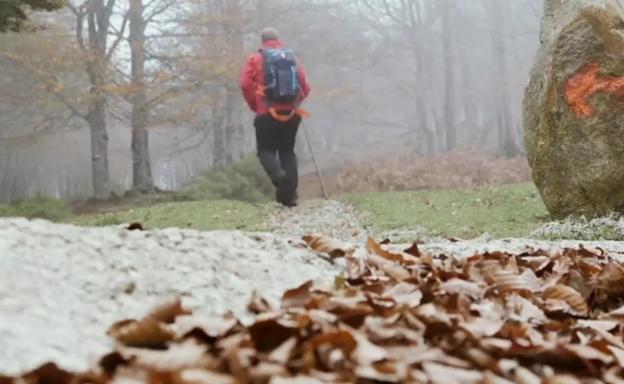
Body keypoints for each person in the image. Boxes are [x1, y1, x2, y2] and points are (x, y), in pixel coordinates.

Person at [240, 28, 311, 207]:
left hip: (266, 113)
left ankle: (279, 177)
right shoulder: (291, 58)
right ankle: (290, 195)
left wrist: (255, 105)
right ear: (278, 39)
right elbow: (305, 86)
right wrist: (295, 102)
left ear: (262, 41)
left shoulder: (255, 59)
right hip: (291, 113)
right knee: (287, 150)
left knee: (265, 150)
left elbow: (245, 84)